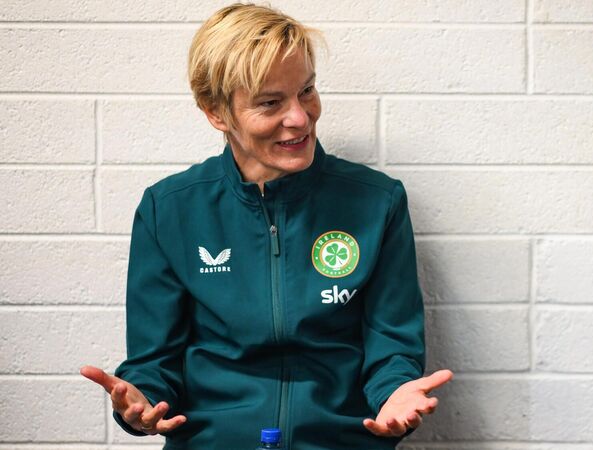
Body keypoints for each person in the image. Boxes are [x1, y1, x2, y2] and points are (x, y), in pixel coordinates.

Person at [80, 3, 452, 449]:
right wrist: (144, 400)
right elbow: (154, 362)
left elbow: (392, 346)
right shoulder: (169, 209)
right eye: (270, 102)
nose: (300, 117)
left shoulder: (378, 201)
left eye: (307, 90)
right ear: (216, 113)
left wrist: (394, 395)